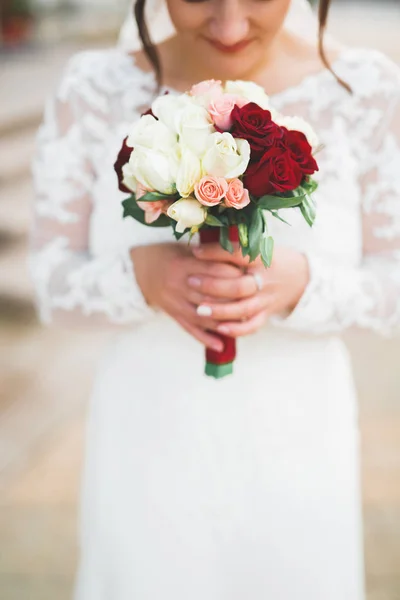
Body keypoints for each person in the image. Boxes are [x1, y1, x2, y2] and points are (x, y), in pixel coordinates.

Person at [29, 0, 400, 597]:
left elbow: (393, 282)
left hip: (299, 442)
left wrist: (302, 284)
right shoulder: (91, 89)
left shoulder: (366, 91)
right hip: (147, 441)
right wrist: (138, 278)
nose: (229, 25)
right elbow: (49, 281)